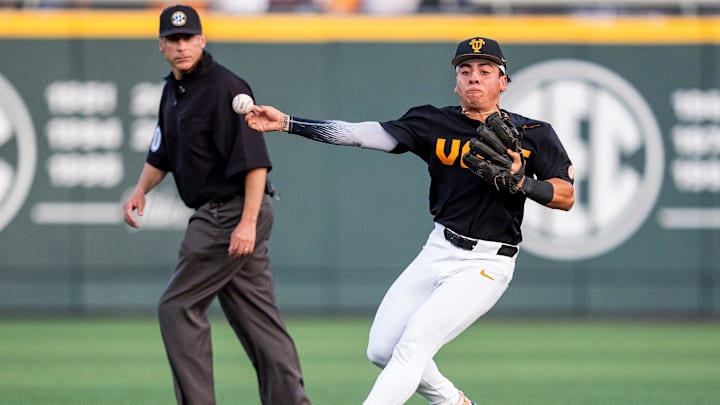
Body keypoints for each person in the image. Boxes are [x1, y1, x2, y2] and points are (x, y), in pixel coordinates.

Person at [246, 37, 575, 405]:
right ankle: (454, 401)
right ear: (455, 82)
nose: (474, 79)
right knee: (382, 350)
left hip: (487, 261)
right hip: (439, 247)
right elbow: (359, 134)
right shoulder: (433, 121)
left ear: (504, 82)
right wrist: (289, 123)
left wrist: (521, 182)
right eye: (465, 71)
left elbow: (565, 196)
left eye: (485, 71)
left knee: (412, 346)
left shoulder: (533, 134)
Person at [121, 5, 311, 405]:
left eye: (188, 37)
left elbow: (255, 162)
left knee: (176, 307)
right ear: (161, 46)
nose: (181, 45)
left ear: (202, 40)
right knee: (258, 321)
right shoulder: (173, 91)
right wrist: (140, 191)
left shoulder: (227, 88)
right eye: (173, 39)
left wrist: (245, 222)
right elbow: (161, 155)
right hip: (230, 214)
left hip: (229, 213)